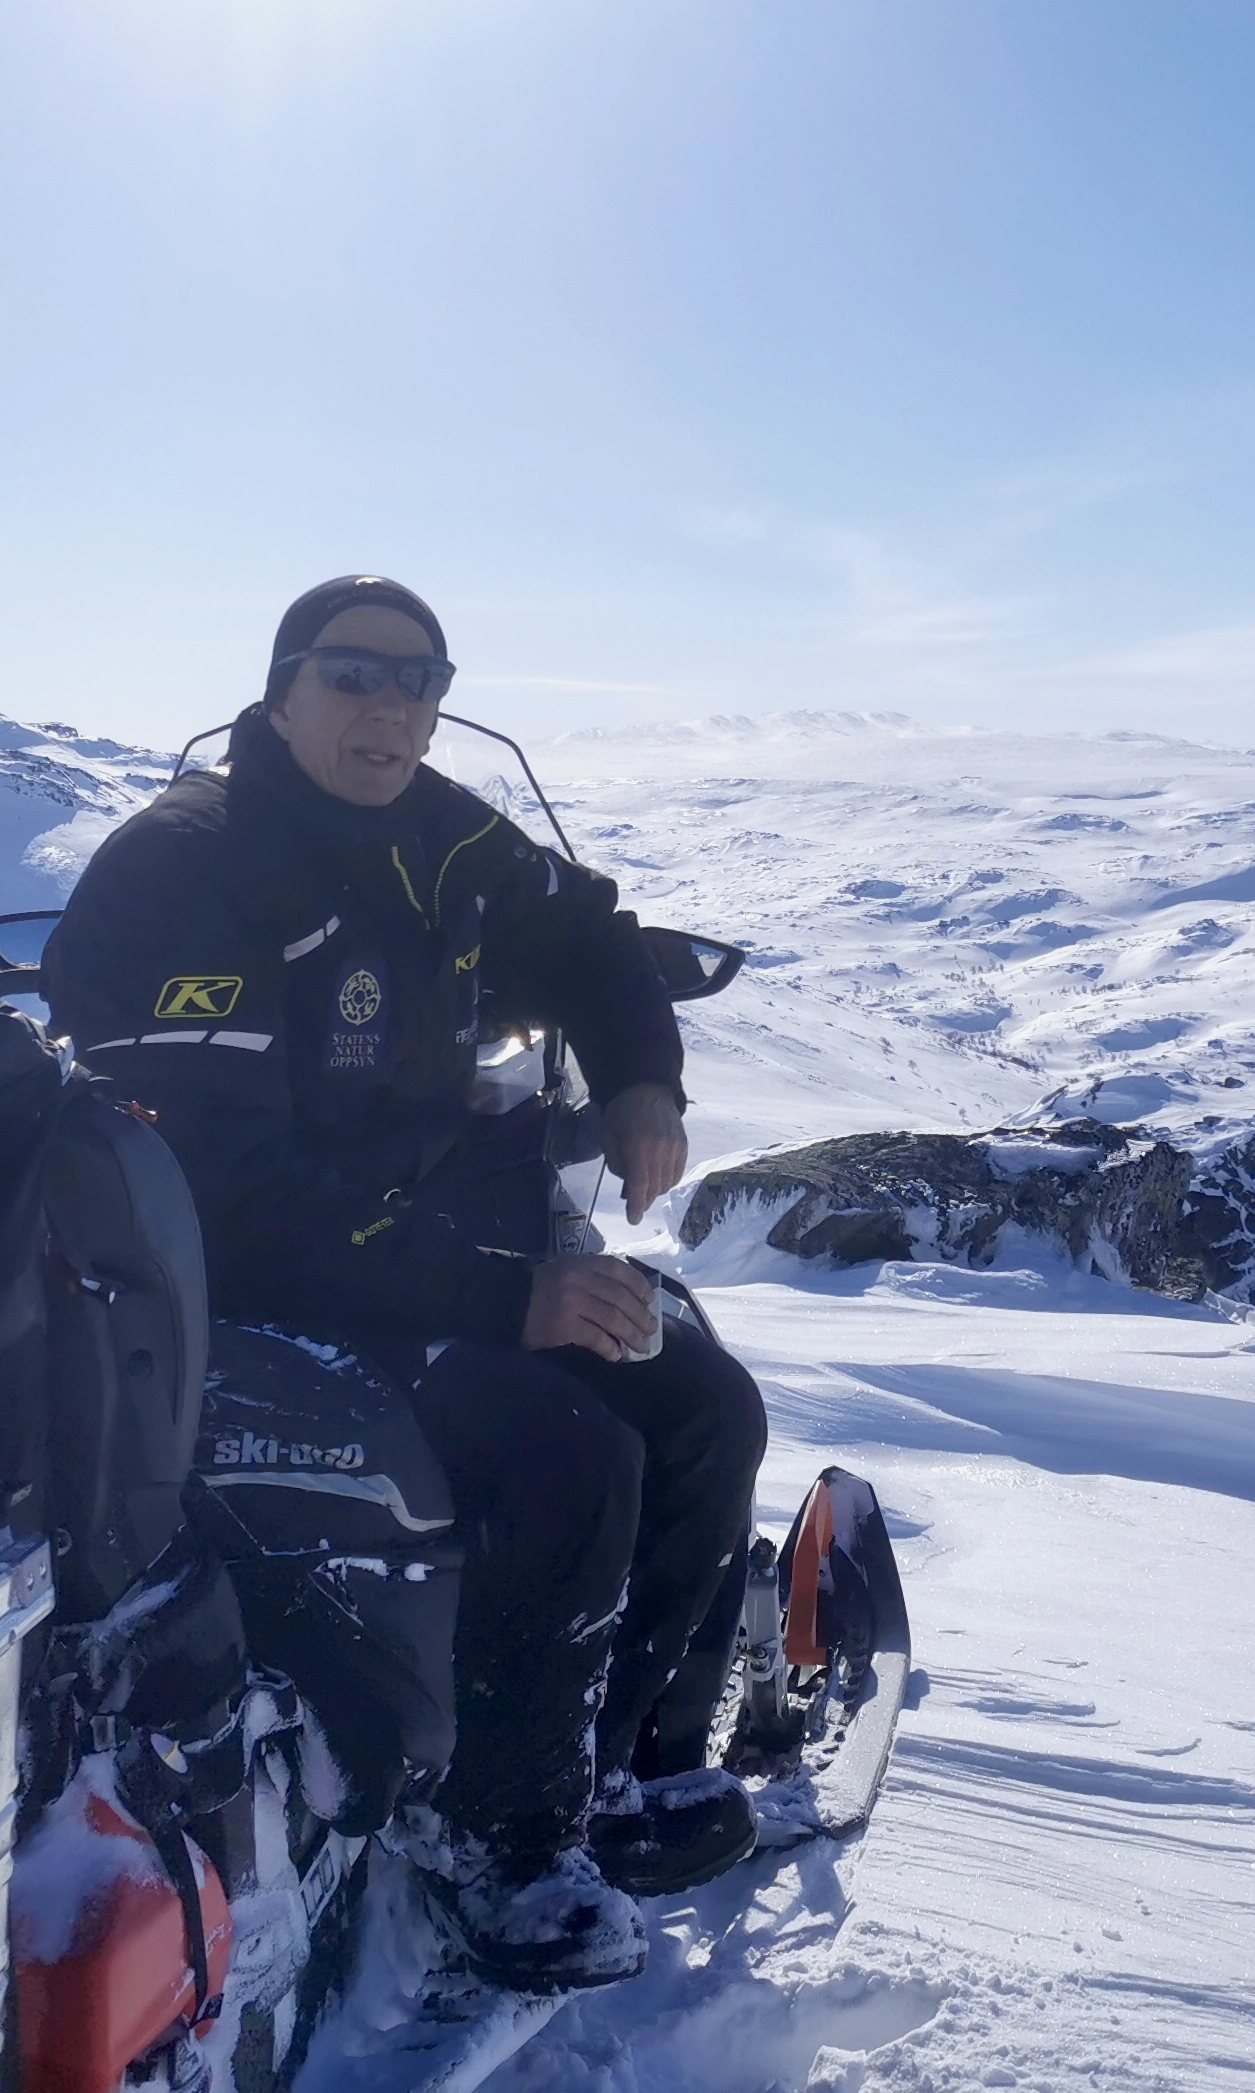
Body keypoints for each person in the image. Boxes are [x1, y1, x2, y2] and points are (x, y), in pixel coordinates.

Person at [43, 576, 768, 1993]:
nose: (391, 707)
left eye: (418, 679)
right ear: (281, 690)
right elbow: (227, 1193)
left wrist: (640, 1078)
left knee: (700, 1404)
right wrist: (506, 1302)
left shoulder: (438, 834)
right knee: (561, 1450)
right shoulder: (188, 870)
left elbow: (593, 934)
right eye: (353, 674)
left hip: (438, 1238)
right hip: (248, 1287)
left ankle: (629, 1764)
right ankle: (500, 1838)